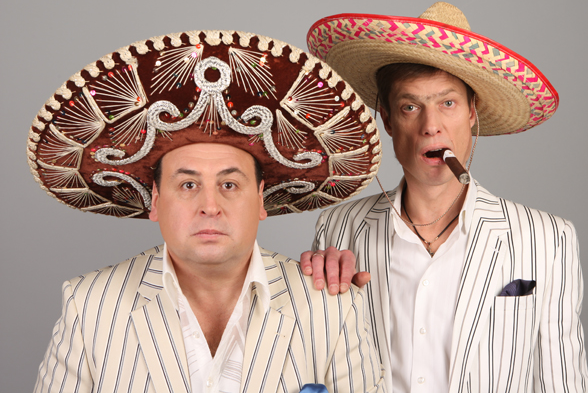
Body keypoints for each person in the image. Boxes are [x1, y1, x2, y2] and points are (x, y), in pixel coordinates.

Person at [29, 29, 386, 393]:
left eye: (229, 185)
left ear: (260, 199)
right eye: (188, 185)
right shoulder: (89, 304)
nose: (210, 207)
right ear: (155, 201)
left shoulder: (332, 307)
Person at [301, 2, 588, 392]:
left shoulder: (547, 239)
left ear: (472, 112)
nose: (431, 126)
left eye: (447, 103)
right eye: (410, 107)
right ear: (387, 120)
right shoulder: (338, 228)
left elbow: (562, 381)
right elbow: (316, 367)